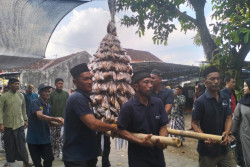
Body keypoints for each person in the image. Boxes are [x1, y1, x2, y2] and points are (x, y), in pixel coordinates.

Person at [63, 63, 117, 167]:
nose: (90, 82)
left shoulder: (85, 97)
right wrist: (113, 127)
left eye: (91, 78)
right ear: (75, 82)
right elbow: (93, 124)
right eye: (85, 79)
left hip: (86, 155)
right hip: (77, 157)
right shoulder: (77, 98)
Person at [117, 71, 168, 167]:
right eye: (146, 82)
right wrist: (140, 142)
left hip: (157, 156)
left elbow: (163, 125)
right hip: (138, 158)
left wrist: (163, 139)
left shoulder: (158, 103)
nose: (150, 86)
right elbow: (121, 130)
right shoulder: (128, 107)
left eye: (151, 82)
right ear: (136, 86)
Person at [191, 66, 235, 167]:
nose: (216, 81)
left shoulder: (224, 97)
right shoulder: (200, 102)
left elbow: (229, 117)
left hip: (224, 148)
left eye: (218, 78)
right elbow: (194, 123)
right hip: (207, 151)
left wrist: (227, 132)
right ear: (204, 81)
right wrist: (204, 137)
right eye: (212, 79)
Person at [27, 83, 64, 167]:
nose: (47, 93)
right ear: (39, 92)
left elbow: (47, 121)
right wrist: (56, 118)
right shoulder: (35, 103)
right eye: (45, 91)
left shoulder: (48, 106)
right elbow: (40, 116)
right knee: (37, 163)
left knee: (49, 159)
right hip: (34, 139)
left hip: (45, 138)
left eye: (48, 91)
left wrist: (59, 123)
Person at [0, 78, 31, 167]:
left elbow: (23, 109)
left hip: (19, 124)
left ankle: (25, 162)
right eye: (15, 84)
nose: (17, 85)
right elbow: (0, 111)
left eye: (18, 84)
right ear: (10, 85)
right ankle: (9, 162)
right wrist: (1, 124)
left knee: (21, 144)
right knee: (9, 145)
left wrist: (25, 120)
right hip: (8, 124)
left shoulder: (21, 96)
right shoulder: (4, 96)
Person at [221, 75, 244, 167]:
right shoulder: (223, 94)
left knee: (237, 142)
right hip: (229, 122)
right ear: (227, 83)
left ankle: (238, 162)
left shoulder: (232, 93)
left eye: (235, 82)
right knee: (231, 141)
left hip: (236, 121)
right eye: (232, 82)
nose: (234, 84)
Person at [231, 78, 250, 167]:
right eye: (243, 86)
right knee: (246, 157)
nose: (244, 88)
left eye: (246, 86)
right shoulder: (242, 102)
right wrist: (231, 132)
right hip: (245, 135)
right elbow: (236, 119)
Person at [48, 78, 69, 158]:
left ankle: (64, 155)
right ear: (55, 84)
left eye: (62, 83)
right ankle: (54, 154)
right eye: (59, 83)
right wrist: (49, 120)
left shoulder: (66, 94)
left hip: (64, 121)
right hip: (54, 121)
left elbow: (68, 107)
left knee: (64, 139)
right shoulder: (51, 94)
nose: (60, 85)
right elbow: (48, 108)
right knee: (54, 139)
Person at [0, 86, 8, 153]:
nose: (5, 91)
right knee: (2, 135)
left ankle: (8, 148)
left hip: (7, 120)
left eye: (7, 90)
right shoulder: (1, 97)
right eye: (4, 90)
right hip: (2, 119)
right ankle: (5, 148)